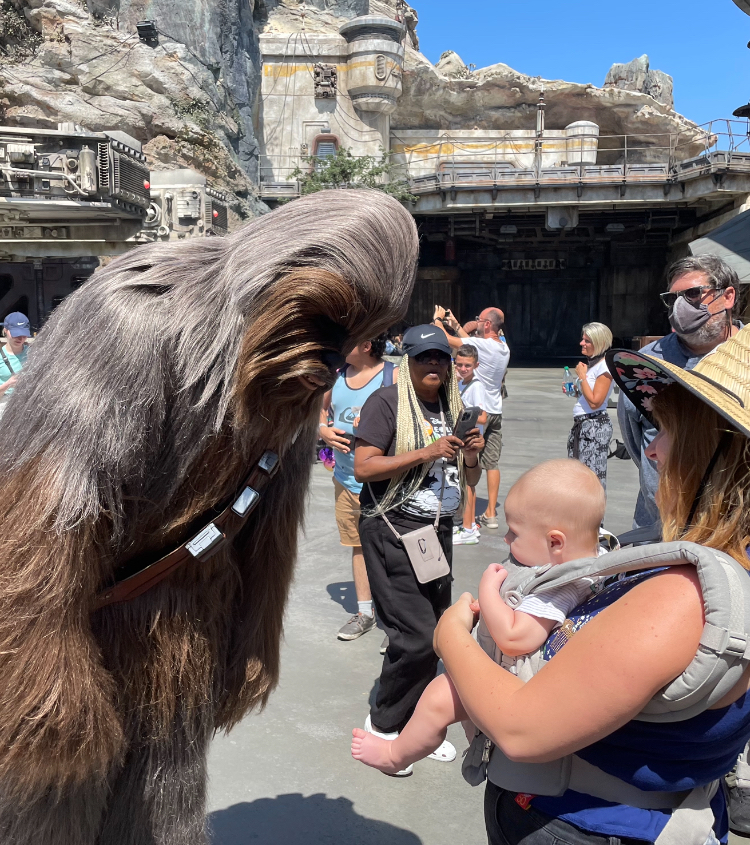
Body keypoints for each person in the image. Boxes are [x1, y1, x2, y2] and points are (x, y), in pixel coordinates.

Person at [0, 188, 420, 843]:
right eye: (329, 323)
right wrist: (46, 675)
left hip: (185, 640)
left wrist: (256, 637)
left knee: (165, 817)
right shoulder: (134, 318)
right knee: (50, 813)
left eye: (357, 340)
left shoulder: (291, 376)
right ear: (280, 272)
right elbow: (44, 519)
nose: (330, 365)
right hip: (80, 625)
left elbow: (271, 516)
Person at [433, 326, 750, 845]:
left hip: (589, 821)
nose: (653, 451)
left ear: (718, 449)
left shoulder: (684, 596)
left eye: (669, 433)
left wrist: (449, 636)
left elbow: (521, 728)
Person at [351, 459, 605, 775]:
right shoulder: (586, 563)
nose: (507, 541)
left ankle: (395, 754)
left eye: (514, 533)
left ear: (555, 542)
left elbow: (515, 638)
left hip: (509, 683)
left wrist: (487, 592)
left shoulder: (558, 585)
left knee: (437, 698)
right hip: (514, 681)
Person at [354, 324, 484, 775]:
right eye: (424, 358)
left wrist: (470, 454)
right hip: (394, 528)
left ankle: (414, 724)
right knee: (415, 638)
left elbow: (469, 480)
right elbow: (364, 467)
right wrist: (425, 452)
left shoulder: (453, 407)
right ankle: (383, 725)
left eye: (441, 359)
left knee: (436, 635)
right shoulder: (385, 404)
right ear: (405, 362)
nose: (434, 365)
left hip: (435, 532)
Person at [618, 253, 741, 534]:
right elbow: (638, 440)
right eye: (674, 299)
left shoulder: (744, 359)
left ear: (728, 296)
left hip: (734, 528)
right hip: (659, 523)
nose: (682, 307)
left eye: (694, 294)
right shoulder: (644, 365)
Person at [319, 336, 397, 641]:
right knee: (357, 545)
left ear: (367, 345)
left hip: (388, 483)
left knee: (394, 549)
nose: (340, 348)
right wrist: (322, 430)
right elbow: (319, 410)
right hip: (346, 480)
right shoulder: (337, 375)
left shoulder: (393, 376)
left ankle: (397, 622)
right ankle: (365, 613)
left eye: (348, 341)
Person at [432, 306, 510, 529]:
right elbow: (469, 345)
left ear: (487, 324)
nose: (476, 322)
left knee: (468, 464)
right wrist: (457, 323)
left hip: (478, 410)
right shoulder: (503, 348)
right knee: (492, 463)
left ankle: (465, 519)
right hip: (496, 409)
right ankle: (490, 514)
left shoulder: (481, 347)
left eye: (479, 319)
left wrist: (438, 319)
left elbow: (449, 340)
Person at [567, 322, 614, 489]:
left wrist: (582, 377)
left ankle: (592, 514)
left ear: (598, 343)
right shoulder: (594, 365)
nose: (582, 343)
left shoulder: (605, 368)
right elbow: (587, 397)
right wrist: (575, 390)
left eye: (587, 341)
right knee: (578, 476)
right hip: (584, 424)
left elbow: (595, 402)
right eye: (582, 339)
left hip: (594, 425)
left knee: (591, 478)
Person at [453, 343, 488, 546]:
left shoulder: (476, 386)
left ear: (476, 365)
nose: (463, 369)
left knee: (467, 484)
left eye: (467, 365)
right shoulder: (462, 384)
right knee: (468, 483)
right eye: (459, 365)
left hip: (471, 441)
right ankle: (471, 525)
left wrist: (462, 409)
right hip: (464, 439)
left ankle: (467, 528)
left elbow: (482, 417)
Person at [0, 311, 30, 411]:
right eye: (16, 334)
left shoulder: (34, 354)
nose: (20, 338)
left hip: (28, 403)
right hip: (5, 405)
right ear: (5, 330)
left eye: (24, 335)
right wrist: (8, 384)